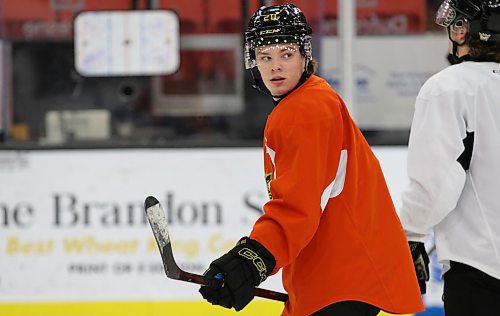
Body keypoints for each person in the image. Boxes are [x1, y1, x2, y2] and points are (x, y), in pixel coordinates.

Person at [199, 4, 425, 316]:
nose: (275, 66)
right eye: (266, 57)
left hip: (343, 277)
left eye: (286, 54)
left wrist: (253, 258)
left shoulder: (306, 110)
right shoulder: (309, 100)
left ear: (305, 55)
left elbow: (299, 205)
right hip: (336, 275)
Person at [399, 0, 500, 315]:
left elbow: (438, 182)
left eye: (458, 24)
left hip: (481, 270)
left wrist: (411, 235)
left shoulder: (449, 87)